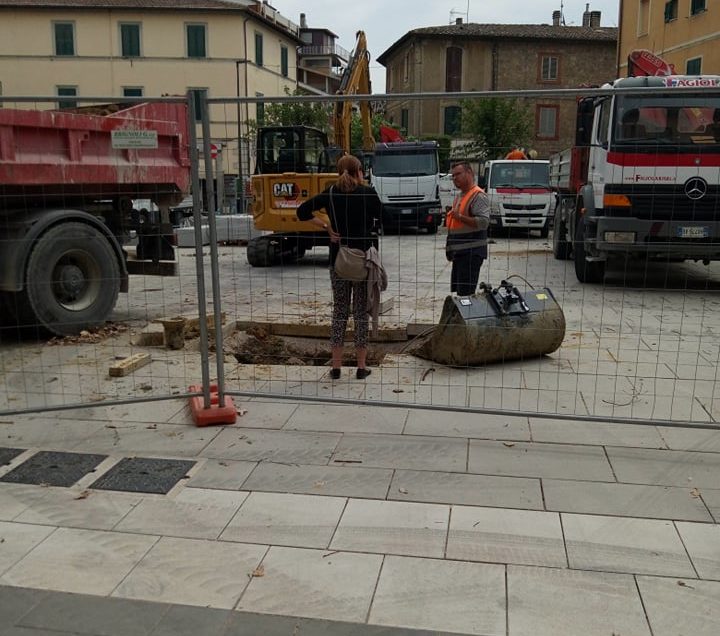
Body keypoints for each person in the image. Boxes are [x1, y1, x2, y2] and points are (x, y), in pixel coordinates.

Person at [296, 154, 381, 380]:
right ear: (359, 171)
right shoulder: (368, 193)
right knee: (361, 312)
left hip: (338, 261)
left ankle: (336, 368)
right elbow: (382, 218)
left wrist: (325, 226)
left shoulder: (331, 194)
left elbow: (301, 212)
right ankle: (361, 368)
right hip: (363, 261)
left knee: (340, 312)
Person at [445, 162, 490, 296]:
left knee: (466, 295)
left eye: (458, 174)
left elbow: (483, 222)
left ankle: (467, 316)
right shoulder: (461, 195)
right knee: (461, 293)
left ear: (469, 173)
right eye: (452, 176)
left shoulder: (478, 196)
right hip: (460, 253)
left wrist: (459, 217)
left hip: (471, 253)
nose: (455, 178)